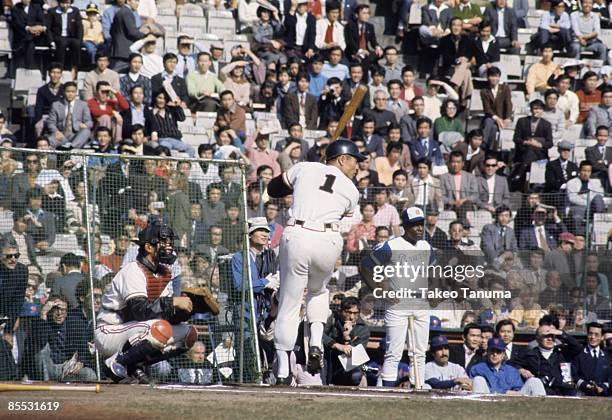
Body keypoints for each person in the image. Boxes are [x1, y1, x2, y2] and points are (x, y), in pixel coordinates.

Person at [268, 140, 362, 385]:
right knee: (319, 292)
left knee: (289, 301)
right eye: (354, 160)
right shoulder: (352, 190)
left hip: (298, 234)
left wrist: (304, 177)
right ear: (341, 159)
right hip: (328, 241)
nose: (357, 167)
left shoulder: (305, 167)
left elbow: (273, 189)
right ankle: (317, 342)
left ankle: (282, 372)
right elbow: (343, 219)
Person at [94, 221, 199, 383]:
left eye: (170, 243)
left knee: (189, 333)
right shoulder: (133, 270)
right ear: (149, 248)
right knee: (159, 328)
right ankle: (116, 362)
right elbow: (140, 311)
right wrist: (172, 302)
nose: (169, 247)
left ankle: (132, 364)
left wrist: (188, 309)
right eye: (163, 243)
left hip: (136, 329)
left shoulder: (163, 272)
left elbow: (163, 314)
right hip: (110, 331)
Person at [360, 207, 434, 389]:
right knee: (394, 352)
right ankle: (387, 391)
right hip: (397, 303)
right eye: (414, 224)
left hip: (421, 303)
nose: (419, 228)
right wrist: (380, 291)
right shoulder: (391, 245)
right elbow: (365, 266)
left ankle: (418, 388)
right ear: (405, 226)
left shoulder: (426, 246)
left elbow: (434, 272)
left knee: (419, 352)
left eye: (421, 224)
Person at [515, 324, 582, 395]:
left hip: (565, 391)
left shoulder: (562, 352)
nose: (550, 339)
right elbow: (511, 364)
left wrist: (561, 333)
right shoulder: (530, 355)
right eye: (546, 336)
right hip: (542, 392)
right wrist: (521, 370)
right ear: (538, 338)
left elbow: (578, 347)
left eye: (552, 336)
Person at [470, 337, 546, 395]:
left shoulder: (512, 371)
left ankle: (543, 411)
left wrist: (511, 393)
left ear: (503, 354)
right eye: (492, 351)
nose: (495, 354)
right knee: (478, 379)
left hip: (512, 401)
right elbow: (471, 388)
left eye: (498, 352)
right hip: (487, 399)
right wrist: (504, 392)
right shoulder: (477, 369)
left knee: (535, 381)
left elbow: (518, 390)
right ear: (487, 352)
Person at [322, 296, 370, 386]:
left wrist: (347, 337)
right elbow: (320, 335)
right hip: (329, 363)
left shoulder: (363, 329)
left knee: (356, 375)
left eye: (355, 313)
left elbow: (356, 357)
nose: (352, 317)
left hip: (348, 367)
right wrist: (336, 345)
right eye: (348, 312)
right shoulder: (332, 319)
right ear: (341, 311)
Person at [0, 242, 29, 380]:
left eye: (16, 256)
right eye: (9, 256)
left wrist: (8, 331)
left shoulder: (22, 271)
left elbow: (17, 301)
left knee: (7, 343)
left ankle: (12, 376)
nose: (13, 259)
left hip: (7, 312)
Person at [47, 81, 93, 149]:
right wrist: (56, 132)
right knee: (49, 141)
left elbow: (89, 122)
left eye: (73, 92)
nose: (70, 94)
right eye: (68, 91)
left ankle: (71, 148)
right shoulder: (56, 105)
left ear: (76, 93)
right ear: (64, 92)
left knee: (86, 131)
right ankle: (50, 159)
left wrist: (85, 125)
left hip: (77, 135)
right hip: (61, 135)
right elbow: (51, 123)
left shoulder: (83, 105)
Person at [572, 322, 610, 396]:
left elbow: (609, 378)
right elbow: (574, 376)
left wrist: (602, 388)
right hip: (582, 394)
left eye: (596, 334)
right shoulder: (579, 354)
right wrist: (586, 386)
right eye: (590, 334)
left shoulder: (606, 356)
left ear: (602, 337)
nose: (593, 337)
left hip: (602, 397)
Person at [11, 0, 51, 70]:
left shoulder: (36, 7)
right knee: (30, 44)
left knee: (31, 41)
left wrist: (38, 28)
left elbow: (42, 20)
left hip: (37, 36)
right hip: (22, 35)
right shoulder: (16, 8)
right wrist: (29, 28)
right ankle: (28, 68)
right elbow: (17, 23)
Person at [151, 90, 193, 157]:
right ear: (155, 98)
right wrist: (153, 114)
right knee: (165, 149)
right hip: (163, 139)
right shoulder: (151, 112)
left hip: (176, 139)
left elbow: (182, 118)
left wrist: (178, 106)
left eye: (164, 98)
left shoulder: (171, 110)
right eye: (159, 98)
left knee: (190, 149)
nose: (162, 101)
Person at [440, 151, 480, 220]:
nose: (455, 165)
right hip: (451, 206)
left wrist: (463, 200)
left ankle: (462, 224)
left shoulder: (470, 177)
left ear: (463, 163)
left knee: (465, 204)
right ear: (449, 163)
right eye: (453, 162)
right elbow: (441, 196)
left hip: (467, 206)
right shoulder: (444, 178)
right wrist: (452, 202)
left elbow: (475, 195)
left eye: (458, 162)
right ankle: (464, 225)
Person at [566, 160, 606, 229]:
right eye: (584, 171)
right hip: (579, 207)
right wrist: (589, 199)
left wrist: (583, 196)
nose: (586, 173)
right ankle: (578, 235)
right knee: (577, 212)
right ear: (579, 171)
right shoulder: (571, 183)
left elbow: (599, 196)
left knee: (598, 198)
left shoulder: (596, 182)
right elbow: (572, 198)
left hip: (593, 208)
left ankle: (599, 227)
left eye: (588, 171)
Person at [48, 0, 83, 78]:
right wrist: (51, 41)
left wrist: (79, 39)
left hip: (71, 36)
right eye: (63, 3)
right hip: (58, 36)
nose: (65, 5)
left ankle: (74, 68)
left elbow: (79, 27)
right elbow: (48, 28)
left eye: (67, 3)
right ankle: (61, 68)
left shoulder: (75, 11)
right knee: (62, 43)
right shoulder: (53, 11)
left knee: (77, 44)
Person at [481, 67, 512, 150]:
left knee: (493, 128)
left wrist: (507, 118)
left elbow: (508, 103)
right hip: (491, 116)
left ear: (499, 77)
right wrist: (497, 118)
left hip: (503, 116)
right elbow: (487, 108)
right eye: (491, 76)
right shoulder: (484, 91)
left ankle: (487, 148)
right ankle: (485, 144)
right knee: (489, 123)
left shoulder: (505, 88)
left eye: (496, 76)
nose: (494, 79)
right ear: (488, 77)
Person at [110, 0, 145, 71]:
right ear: (128, 1)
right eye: (135, 1)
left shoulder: (122, 11)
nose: (137, 3)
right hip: (124, 52)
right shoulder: (126, 12)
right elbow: (132, 32)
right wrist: (146, 36)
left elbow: (111, 31)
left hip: (119, 51)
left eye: (138, 1)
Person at [585, 126, 612, 190]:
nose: (603, 138)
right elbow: (593, 165)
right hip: (596, 181)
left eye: (605, 136)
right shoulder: (589, 150)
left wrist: (603, 162)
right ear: (596, 136)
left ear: (608, 137)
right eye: (600, 135)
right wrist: (608, 164)